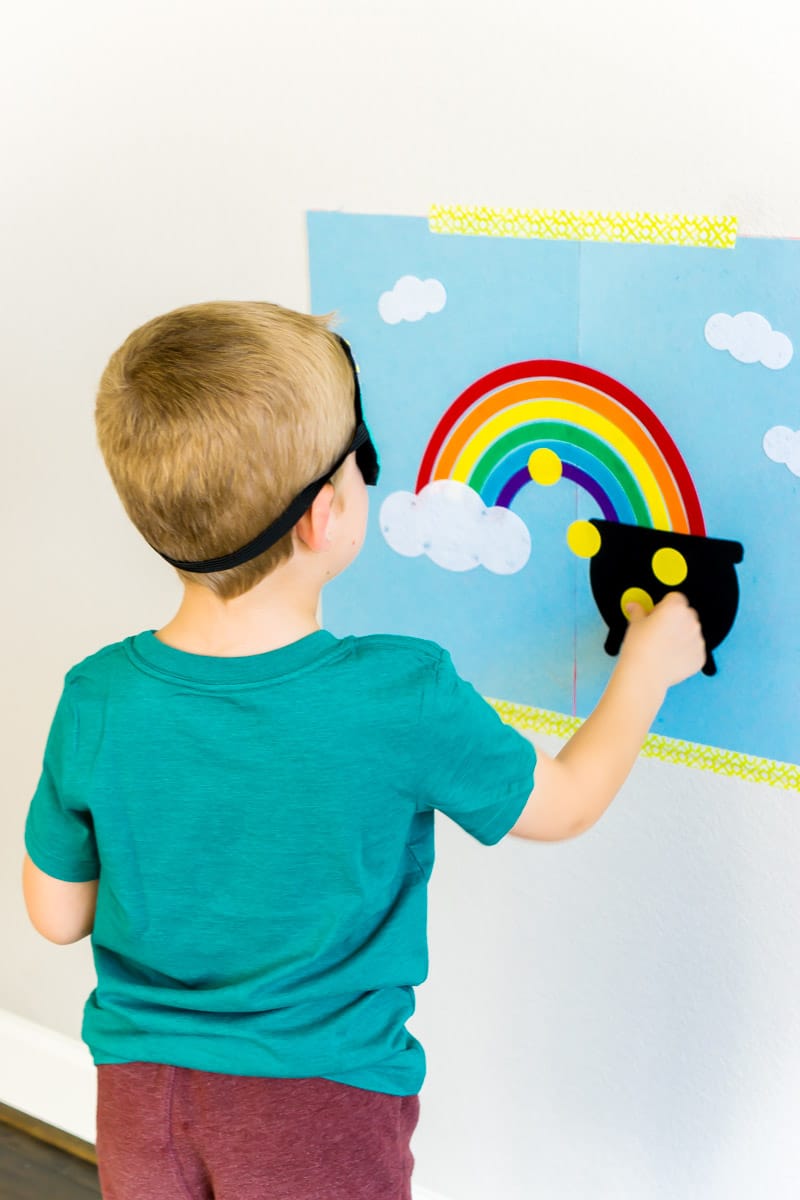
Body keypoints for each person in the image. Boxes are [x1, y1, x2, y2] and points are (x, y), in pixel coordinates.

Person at [22, 301, 705, 1200]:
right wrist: (649, 670)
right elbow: (565, 801)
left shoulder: (97, 696)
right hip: (315, 1114)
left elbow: (58, 916)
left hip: (142, 1099)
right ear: (325, 515)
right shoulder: (400, 695)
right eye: (363, 456)